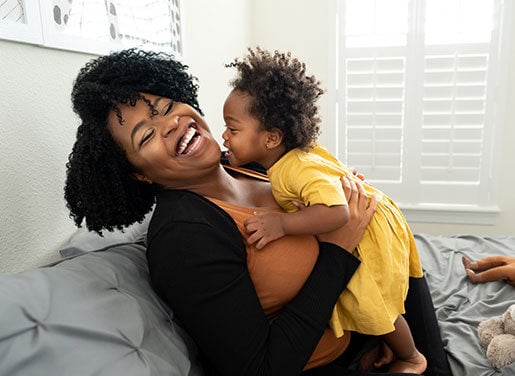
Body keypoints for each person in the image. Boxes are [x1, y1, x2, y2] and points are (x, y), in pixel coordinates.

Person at [64, 48, 451, 376]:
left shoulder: (247, 163)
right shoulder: (184, 238)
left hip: (372, 326)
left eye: (166, 107)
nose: (169, 124)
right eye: (145, 135)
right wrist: (339, 248)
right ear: (137, 173)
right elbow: (261, 368)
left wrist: (339, 187)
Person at [222, 48, 425, 374]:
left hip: (367, 230)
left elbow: (338, 214)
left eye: (233, 129)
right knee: (368, 299)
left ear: (272, 137)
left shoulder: (292, 170)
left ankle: (412, 357)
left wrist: (283, 224)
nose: (224, 137)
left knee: (371, 300)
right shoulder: (294, 157)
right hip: (376, 217)